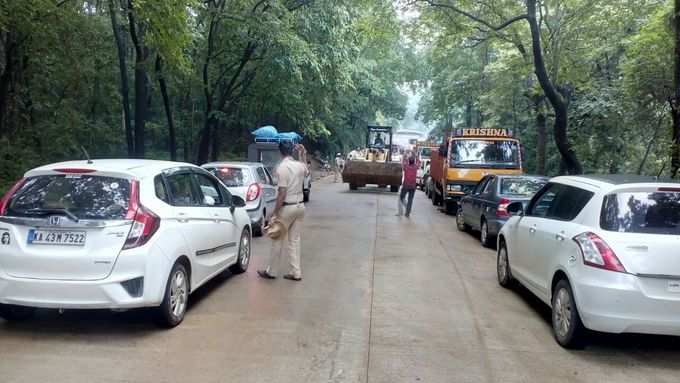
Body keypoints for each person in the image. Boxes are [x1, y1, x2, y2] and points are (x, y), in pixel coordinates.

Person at [258, 142, 309, 281]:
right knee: (295, 240)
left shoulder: (282, 168)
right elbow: (307, 171)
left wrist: (274, 213)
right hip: (300, 207)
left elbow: (282, 193)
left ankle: (271, 272)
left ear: (280, 152)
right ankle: (296, 272)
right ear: (292, 151)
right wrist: (303, 154)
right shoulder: (299, 166)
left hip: (287, 207)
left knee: (277, 238)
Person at [397, 150, 420, 218]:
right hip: (413, 186)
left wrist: (405, 154)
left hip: (406, 185)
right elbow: (419, 162)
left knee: (401, 197)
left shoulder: (406, 167)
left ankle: (406, 208)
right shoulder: (415, 167)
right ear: (414, 162)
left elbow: (403, 162)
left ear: (409, 161)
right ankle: (407, 213)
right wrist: (415, 155)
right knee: (410, 200)